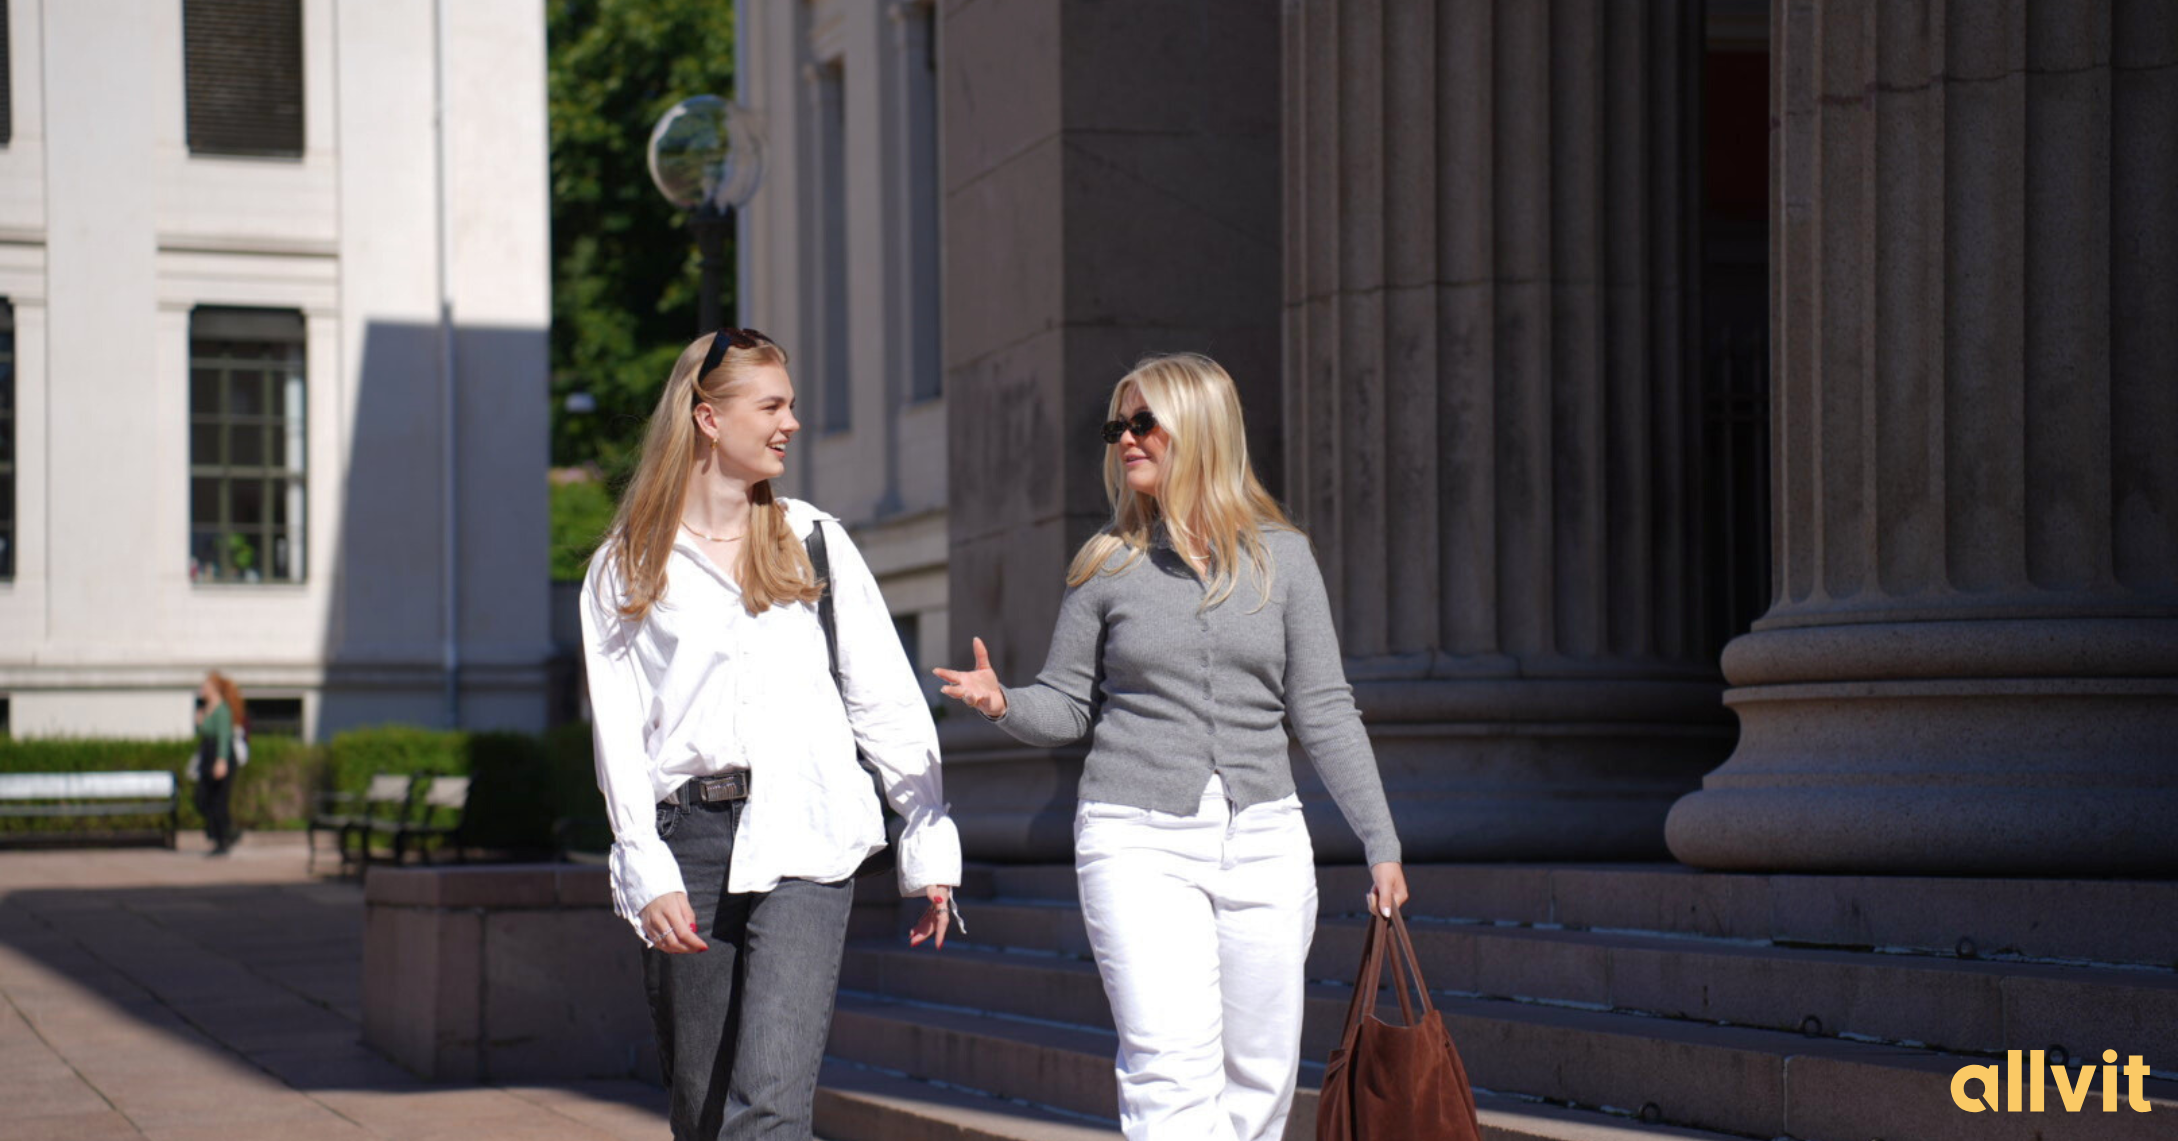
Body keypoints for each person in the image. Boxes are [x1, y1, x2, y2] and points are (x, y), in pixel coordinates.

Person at [934, 352, 1409, 1141]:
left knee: (1260, 1070)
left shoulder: (1282, 558)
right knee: (1167, 1064)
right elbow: (1065, 703)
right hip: (1134, 838)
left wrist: (1380, 840)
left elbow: (1323, 707)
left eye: (1144, 421)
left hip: (1263, 838)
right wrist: (1003, 703)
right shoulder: (1105, 564)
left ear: (1201, 429)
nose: (1126, 438)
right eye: (1118, 424)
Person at [581, 327, 962, 1141]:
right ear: (709, 418)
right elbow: (619, 735)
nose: (791, 421)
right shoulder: (627, 565)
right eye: (773, 405)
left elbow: (885, 699)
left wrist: (927, 835)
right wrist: (645, 865)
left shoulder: (814, 540)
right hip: (689, 846)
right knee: (706, 1113)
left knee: (771, 1111)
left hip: (807, 834)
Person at [192, 671, 247, 855]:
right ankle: (221, 833)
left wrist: (221, 761)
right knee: (203, 798)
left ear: (214, 689)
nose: (202, 690)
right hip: (208, 755)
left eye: (205, 686)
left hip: (219, 756)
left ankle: (223, 839)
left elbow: (224, 737)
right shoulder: (207, 708)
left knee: (218, 801)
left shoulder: (222, 710)